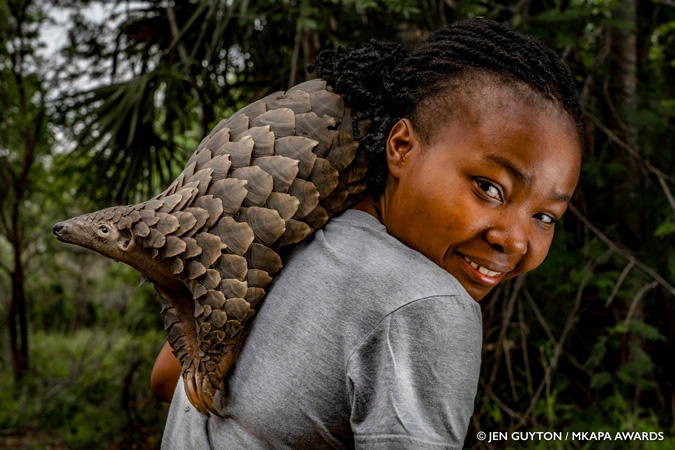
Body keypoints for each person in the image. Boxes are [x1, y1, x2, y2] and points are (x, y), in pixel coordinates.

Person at [154, 18, 583, 449]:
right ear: (401, 147)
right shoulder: (429, 306)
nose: (516, 240)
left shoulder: (287, 234)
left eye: (546, 217)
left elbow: (166, 379)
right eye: (489, 189)